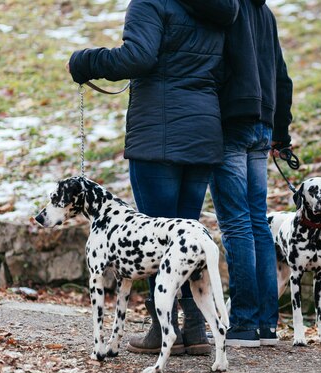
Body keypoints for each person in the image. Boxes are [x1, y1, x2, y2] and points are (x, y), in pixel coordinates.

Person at [67, 0, 239, 355]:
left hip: (158, 136)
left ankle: (162, 330)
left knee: (154, 238)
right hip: (204, 130)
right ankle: (194, 330)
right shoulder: (221, 8)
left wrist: (86, 62)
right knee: (186, 233)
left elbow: (138, 57)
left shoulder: (149, 2)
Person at [183, 0, 293, 347]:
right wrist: (281, 133)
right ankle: (266, 325)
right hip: (263, 121)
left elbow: (213, 63)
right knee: (257, 221)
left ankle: (243, 322)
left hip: (231, 120)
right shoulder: (266, 13)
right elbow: (282, 75)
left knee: (236, 223)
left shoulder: (226, 10)